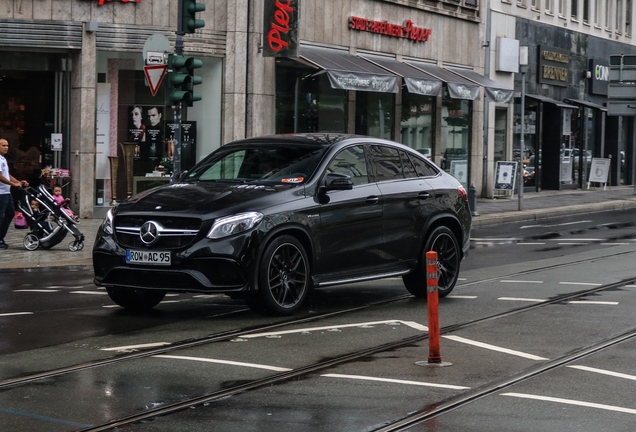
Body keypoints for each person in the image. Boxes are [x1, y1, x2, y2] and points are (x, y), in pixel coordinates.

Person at [0, 138, 29, 249]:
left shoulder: (3, 159)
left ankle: (1, 237)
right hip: (1, 193)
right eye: (3, 145)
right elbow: (0, 176)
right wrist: (13, 184)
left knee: (10, 213)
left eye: (7, 145)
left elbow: (7, 174)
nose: (6, 147)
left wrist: (18, 182)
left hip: (7, 192)